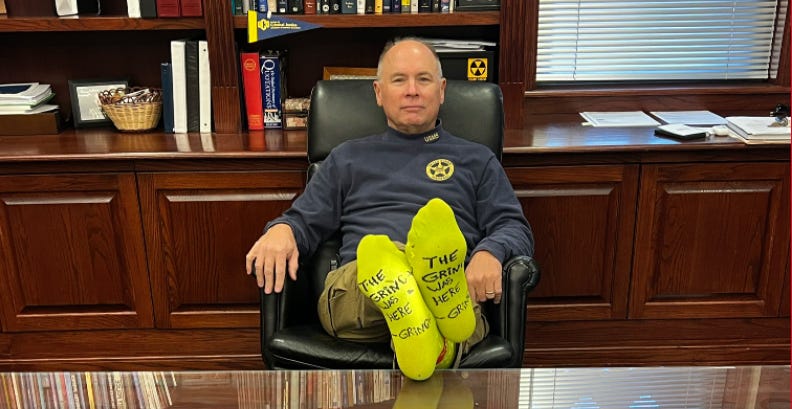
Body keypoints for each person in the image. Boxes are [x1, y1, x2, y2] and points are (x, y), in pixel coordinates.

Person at [245, 37, 534, 380]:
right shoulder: (347, 158)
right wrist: (281, 230)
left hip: (452, 285)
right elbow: (304, 219)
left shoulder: (477, 160)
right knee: (385, 260)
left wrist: (490, 252)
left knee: (443, 281)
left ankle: (420, 309)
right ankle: (420, 307)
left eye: (423, 79)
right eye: (399, 80)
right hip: (361, 294)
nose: (412, 90)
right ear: (379, 93)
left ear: (441, 90)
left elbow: (514, 227)